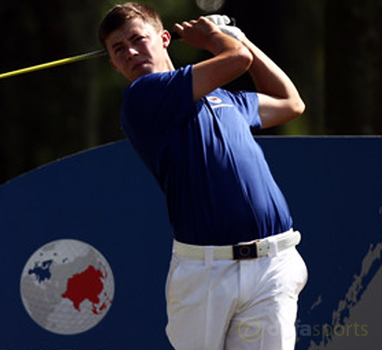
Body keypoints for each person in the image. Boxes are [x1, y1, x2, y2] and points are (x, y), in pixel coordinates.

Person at [99, 3, 308, 350]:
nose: (131, 52)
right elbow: (235, 61)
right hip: (205, 272)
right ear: (113, 64)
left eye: (138, 39)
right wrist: (216, 40)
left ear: (164, 38)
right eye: (119, 49)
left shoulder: (225, 98)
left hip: (273, 263)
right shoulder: (143, 98)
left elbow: (291, 103)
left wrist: (241, 40)